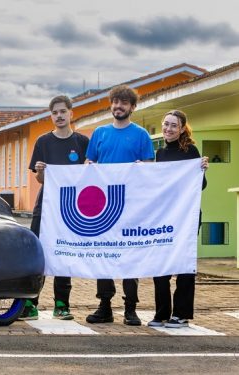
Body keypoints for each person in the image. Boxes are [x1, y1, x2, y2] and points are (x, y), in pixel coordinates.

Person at [85, 85, 155, 326]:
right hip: (103, 207)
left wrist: (141, 167)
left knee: (129, 257)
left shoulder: (142, 135)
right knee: (103, 256)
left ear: (132, 107)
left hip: (131, 206)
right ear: (110, 105)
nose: (119, 106)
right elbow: (89, 164)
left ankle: (130, 308)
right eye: (115, 102)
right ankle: (104, 306)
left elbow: (149, 168)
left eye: (124, 103)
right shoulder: (99, 133)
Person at [22, 95, 89, 321]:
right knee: (37, 253)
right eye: (54, 112)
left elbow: (87, 175)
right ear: (51, 116)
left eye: (63, 111)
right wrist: (41, 172)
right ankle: (31, 303)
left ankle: (62, 304)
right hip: (45, 205)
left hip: (70, 207)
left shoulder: (81, 142)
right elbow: (40, 180)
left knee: (65, 252)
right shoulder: (43, 142)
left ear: (71, 113)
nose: (59, 116)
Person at [149, 110, 209, 328]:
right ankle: (162, 313)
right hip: (165, 218)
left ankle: (181, 315)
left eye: (174, 125)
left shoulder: (191, 151)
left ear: (182, 128)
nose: (168, 129)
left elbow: (200, 186)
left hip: (186, 218)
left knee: (183, 266)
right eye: (166, 124)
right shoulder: (159, 155)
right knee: (160, 267)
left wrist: (201, 170)